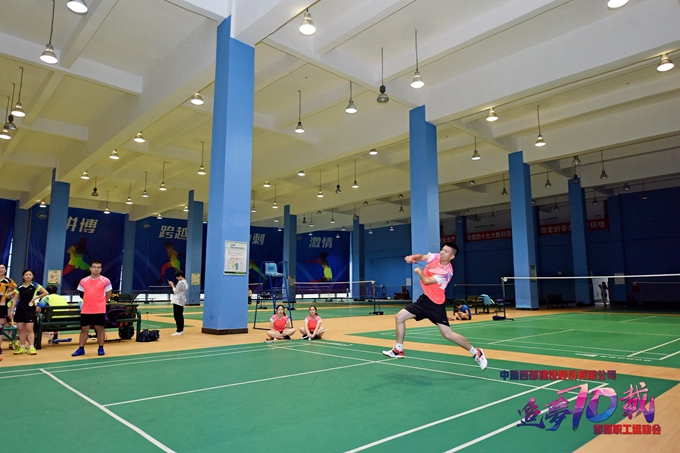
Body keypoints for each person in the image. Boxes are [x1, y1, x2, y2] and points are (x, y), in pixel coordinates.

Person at [382, 243, 487, 371]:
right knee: (399, 317)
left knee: (448, 334)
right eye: (442, 249)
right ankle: (398, 349)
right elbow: (422, 257)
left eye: (446, 251)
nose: (442, 252)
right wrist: (412, 257)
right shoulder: (436, 257)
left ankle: (476, 352)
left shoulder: (447, 272)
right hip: (424, 300)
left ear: (452, 256)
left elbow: (427, 281)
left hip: (435, 304)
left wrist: (419, 271)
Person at [72, 260, 112, 357]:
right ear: (90, 268)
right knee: (84, 329)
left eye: (98, 267)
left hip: (99, 309)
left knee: (99, 328)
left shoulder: (106, 281)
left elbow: (108, 294)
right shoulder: (83, 281)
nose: (96, 269)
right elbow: (82, 294)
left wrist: (101, 302)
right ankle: (81, 348)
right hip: (86, 309)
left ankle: (101, 348)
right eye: (94, 267)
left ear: (101, 269)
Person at [11, 269, 49, 355]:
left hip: (30, 309)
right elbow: (15, 299)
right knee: (21, 330)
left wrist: (35, 298)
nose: (28, 276)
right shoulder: (19, 287)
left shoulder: (35, 285)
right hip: (20, 310)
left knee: (29, 329)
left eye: (30, 275)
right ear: (23, 276)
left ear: (33, 276)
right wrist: (12, 310)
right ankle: (23, 347)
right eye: (26, 274)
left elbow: (45, 292)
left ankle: (31, 347)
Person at [0, 263, 16, 355]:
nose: (1, 269)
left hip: (2, 305)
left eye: (3, 268)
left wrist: (9, 294)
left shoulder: (8, 280)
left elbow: (16, 289)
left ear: (5, 270)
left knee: (0, 327)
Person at [168, 270, 188, 336]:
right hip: (181, 301)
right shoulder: (185, 282)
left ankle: (179, 330)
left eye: (177, 277)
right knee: (180, 315)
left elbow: (175, 291)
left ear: (180, 276)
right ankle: (180, 330)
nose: (177, 278)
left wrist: (172, 285)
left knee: (177, 316)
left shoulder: (181, 282)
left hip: (178, 301)